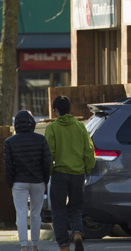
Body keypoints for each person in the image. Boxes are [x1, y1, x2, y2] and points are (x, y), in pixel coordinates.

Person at [46, 96, 95, 251]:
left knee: (59, 210)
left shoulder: (52, 128)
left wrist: (50, 171)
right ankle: (78, 233)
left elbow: (49, 154)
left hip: (60, 173)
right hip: (78, 174)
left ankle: (64, 245)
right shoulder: (80, 127)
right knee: (75, 208)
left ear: (56, 110)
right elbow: (89, 151)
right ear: (69, 109)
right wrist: (86, 168)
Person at [4, 110, 51, 251]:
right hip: (37, 181)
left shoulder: (9, 142)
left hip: (19, 182)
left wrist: (10, 182)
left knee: (21, 213)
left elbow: (8, 165)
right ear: (32, 123)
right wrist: (45, 179)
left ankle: (24, 245)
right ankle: (35, 245)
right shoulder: (40, 139)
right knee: (36, 213)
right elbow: (46, 161)